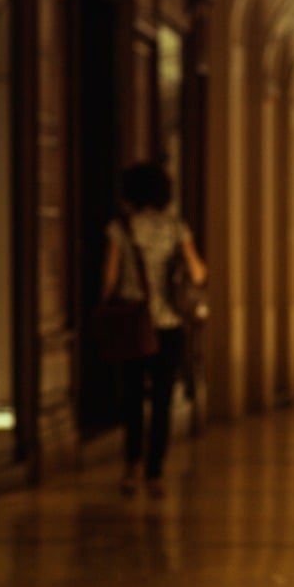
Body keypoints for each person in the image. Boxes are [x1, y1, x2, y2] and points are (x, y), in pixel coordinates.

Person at [101, 162, 207, 497]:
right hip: (169, 324)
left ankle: (131, 467)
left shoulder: (121, 228)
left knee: (131, 397)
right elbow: (198, 273)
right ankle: (155, 473)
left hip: (133, 321)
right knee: (162, 400)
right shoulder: (176, 228)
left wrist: (105, 305)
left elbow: (110, 277)